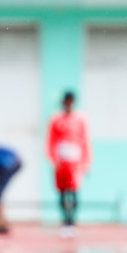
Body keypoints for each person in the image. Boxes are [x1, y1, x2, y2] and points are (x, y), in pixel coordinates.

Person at [47, 91, 90, 236]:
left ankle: (72, 220)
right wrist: (54, 159)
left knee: (74, 190)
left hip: (75, 159)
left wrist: (86, 162)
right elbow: (51, 140)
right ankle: (64, 220)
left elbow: (85, 141)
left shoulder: (80, 119)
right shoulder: (56, 119)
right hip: (61, 158)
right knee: (62, 191)